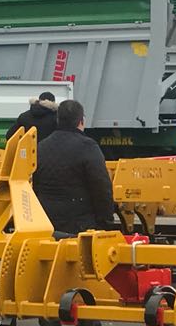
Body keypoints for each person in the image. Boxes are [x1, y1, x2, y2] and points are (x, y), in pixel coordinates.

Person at [32, 99, 117, 235]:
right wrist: (106, 223)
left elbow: (35, 186)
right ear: (81, 121)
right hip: (79, 226)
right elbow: (102, 188)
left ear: (58, 120)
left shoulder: (40, 147)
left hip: (47, 224)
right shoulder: (88, 147)